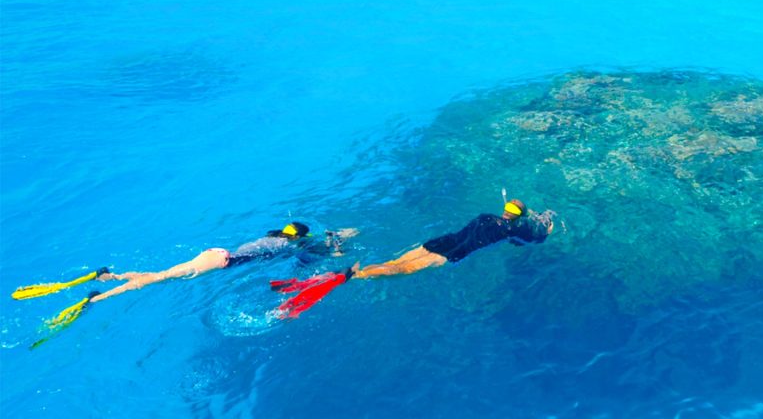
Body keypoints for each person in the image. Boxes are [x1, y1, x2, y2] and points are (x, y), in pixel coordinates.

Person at [89, 222, 358, 303]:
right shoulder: (284, 245)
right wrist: (334, 248)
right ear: (298, 237)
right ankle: (98, 298)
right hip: (219, 261)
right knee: (158, 278)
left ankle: (110, 277)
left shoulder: (274, 236)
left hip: (217, 254)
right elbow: (303, 255)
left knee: (162, 273)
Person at [352, 199, 554, 279]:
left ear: (505, 209)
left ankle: (359, 270)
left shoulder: (486, 216)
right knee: (401, 270)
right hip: (452, 253)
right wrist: (546, 230)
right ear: (518, 217)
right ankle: (356, 276)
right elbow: (530, 240)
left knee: (395, 263)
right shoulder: (510, 231)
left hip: (441, 241)